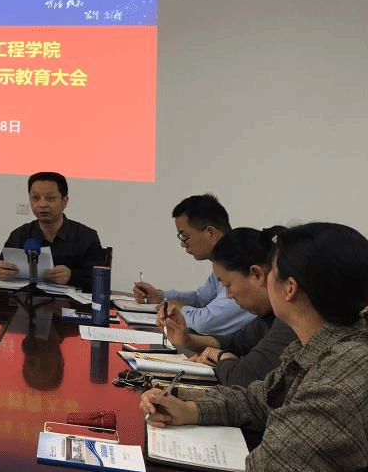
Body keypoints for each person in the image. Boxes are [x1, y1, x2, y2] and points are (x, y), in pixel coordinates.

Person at [140, 221, 368, 472]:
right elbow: (258, 400)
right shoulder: (320, 345)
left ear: (289, 288)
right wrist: (188, 410)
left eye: (272, 271)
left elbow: (272, 463)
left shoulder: (337, 380)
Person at [163, 226, 297, 386]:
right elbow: (237, 343)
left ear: (257, 274)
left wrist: (221, 357)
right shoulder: (268, 316)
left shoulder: (291, 321)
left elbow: (244, 377)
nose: (228, 295)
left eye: (228, 285)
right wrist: (188, 340)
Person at [132, 194, 254, 336]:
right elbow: (201, 299)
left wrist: (177, 309)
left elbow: (206, 323)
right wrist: (161, 296)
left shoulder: (241, 263)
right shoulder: (224, 261)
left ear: (210, 233)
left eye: (185, 236)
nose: (183, 244)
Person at [0, 171, 104, 291]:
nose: (42, 204)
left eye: (50, 198)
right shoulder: (20, 234)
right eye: (35, 198)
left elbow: (100, 281)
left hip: (68, 302)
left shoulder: (86, 236)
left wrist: (71, 276)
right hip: (25, 300)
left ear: (65, 201)